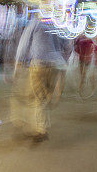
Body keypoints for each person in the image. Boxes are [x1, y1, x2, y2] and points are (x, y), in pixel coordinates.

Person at [11, 14, 72, 142]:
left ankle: (41, 129)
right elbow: (68, 45)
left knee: (38, 97)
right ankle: (42, 124)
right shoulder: (58, 23)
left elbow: (24, 44)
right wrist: (63, 61)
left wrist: (18, 65)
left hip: (39, 64)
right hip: (55, 65)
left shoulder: (35, 22)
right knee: (45, 96)